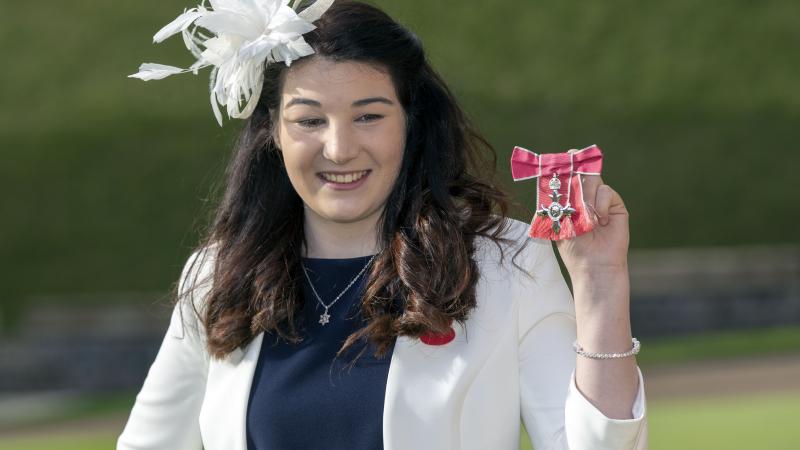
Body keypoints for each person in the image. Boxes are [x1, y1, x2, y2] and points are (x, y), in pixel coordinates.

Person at [117, 1, 648, 449]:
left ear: (410, 123)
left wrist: (600, 284)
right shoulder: (218, 275)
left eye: (369, 115)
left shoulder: (508, 260)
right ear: (272, 132)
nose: (340, 148)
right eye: (309, 120)